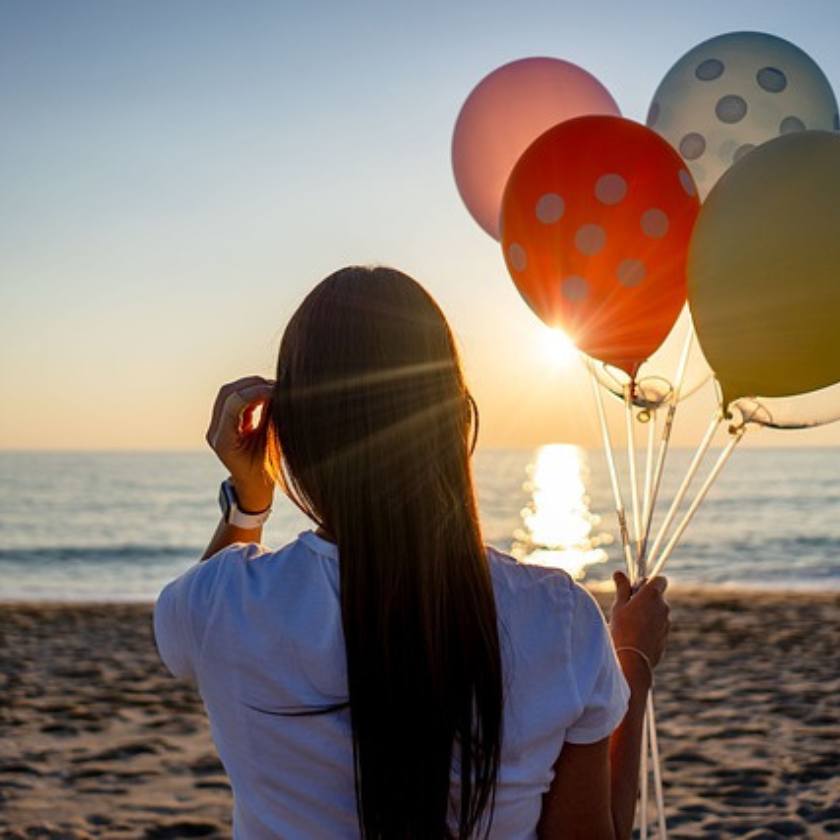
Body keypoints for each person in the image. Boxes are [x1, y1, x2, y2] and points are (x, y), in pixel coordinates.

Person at [155, 265, 670, 839]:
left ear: (289, 434)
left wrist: (248, 504)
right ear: (455, 419)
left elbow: (181, 644)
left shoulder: (216, 607)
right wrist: (633, 664)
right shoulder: (561, 619)